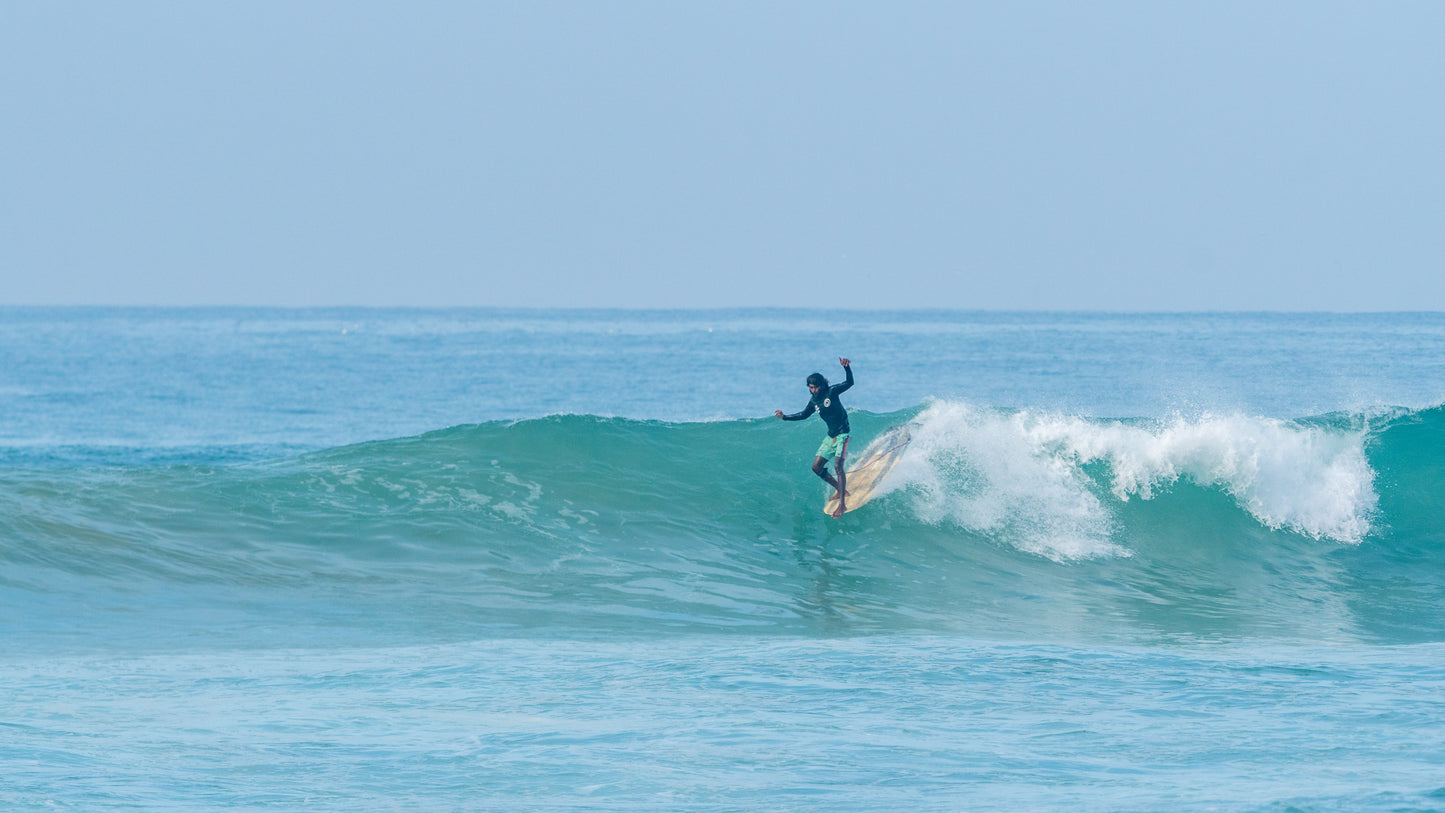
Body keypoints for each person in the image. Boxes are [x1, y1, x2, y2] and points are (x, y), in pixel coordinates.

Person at [775, 358, 854, 516]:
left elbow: (849, 383)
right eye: (811, 388)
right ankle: (840, 490)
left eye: (816, 387)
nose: (814, 390)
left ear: (821, 385)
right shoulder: (813, 402)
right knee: (816, 468)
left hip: (842, 433)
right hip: (830, 436)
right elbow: (803, 415)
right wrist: (784, 417)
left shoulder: (831, 392)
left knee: (838, 467)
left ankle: (842, 505)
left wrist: (847, 368)